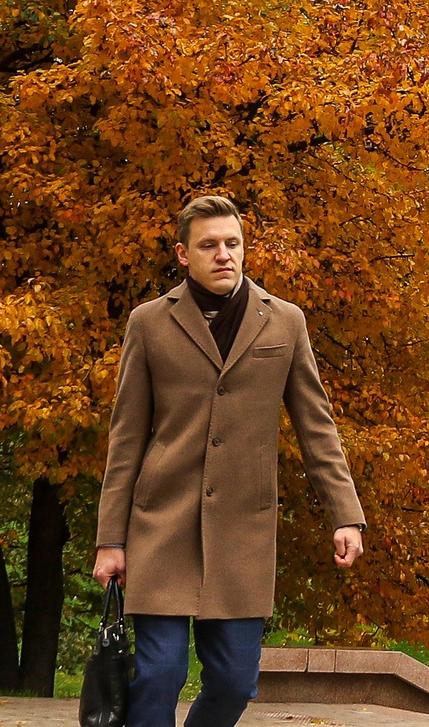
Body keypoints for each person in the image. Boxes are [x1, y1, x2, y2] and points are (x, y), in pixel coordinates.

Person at [95, 195, 367, 727]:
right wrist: (111, 539)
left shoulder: (285, 322)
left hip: (243, 530)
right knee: (158, 673)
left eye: (232, 243)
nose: (224, 254)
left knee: (234, 682)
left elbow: (317, 427)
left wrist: (346, 514)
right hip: (161, 525)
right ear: (183, 254)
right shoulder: (149, 323)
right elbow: (125, 438)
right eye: (209, 245)